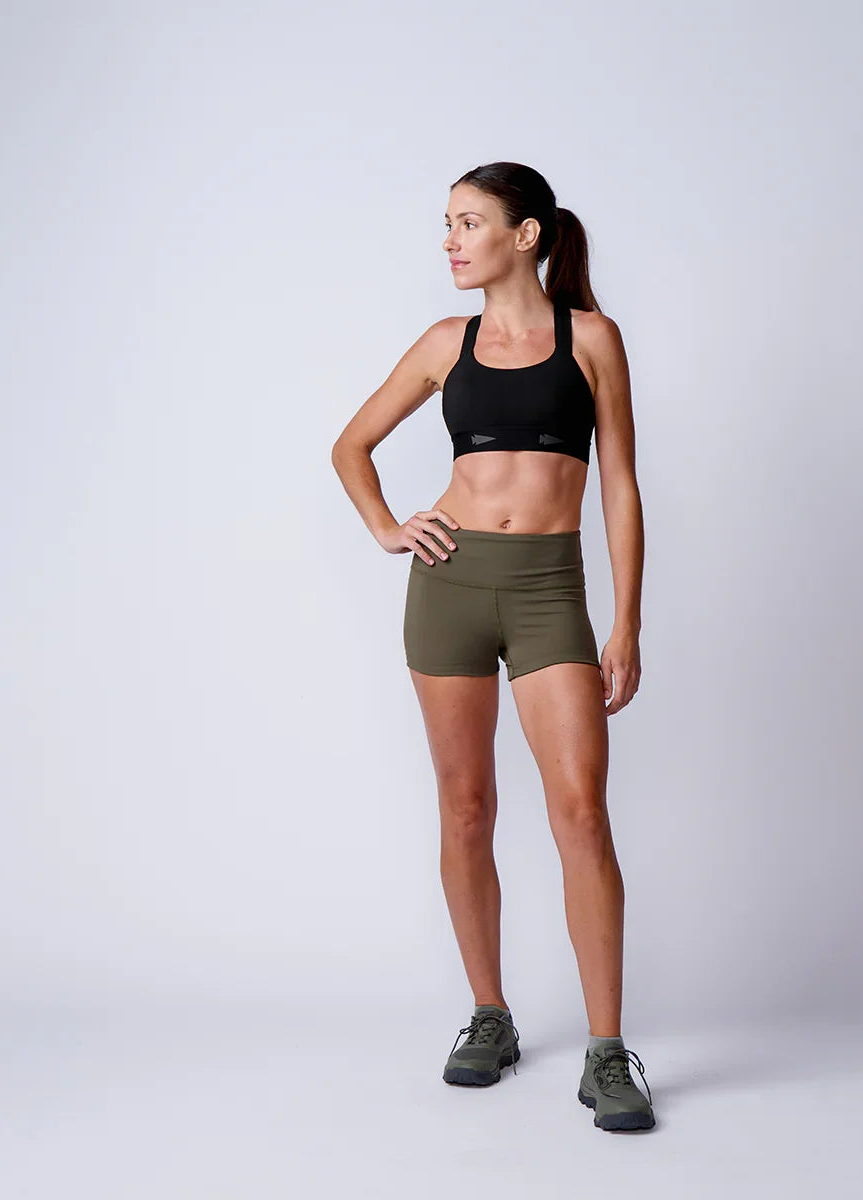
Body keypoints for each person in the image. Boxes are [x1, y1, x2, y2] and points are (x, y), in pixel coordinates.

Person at [330, 161, 653, 1132]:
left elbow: (621, 487)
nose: (451, 241)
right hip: (450, 588)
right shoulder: (444, 344)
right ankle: (490, 1015)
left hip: (550, 590)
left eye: (468, 223)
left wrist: (628, 619)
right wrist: (391, 527)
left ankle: (607, 1051)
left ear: (527, 234)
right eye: (446, 224)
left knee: (580, 813)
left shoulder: (593, 339)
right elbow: (351, 446)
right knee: (466, 808)